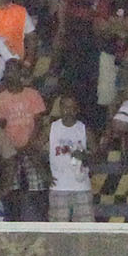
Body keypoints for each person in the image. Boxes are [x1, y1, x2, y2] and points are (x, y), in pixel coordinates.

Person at [42, 94, 92, 222]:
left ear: (77, 109)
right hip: (59, 187)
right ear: (60, 108)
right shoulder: (51, 129)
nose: (68, 111)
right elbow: (33, 150)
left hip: (81, 187)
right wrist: (44, 173)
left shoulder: (84, 130)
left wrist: (85, 156)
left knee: (85, 230)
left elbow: (97, 156)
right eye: (65, 107)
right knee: (58, 230)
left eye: (72, 108)